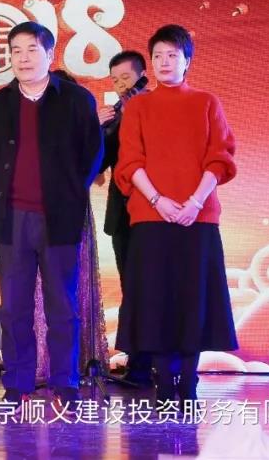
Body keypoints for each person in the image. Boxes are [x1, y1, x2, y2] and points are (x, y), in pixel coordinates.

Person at [0, 22, 102, 406]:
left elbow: (93, 153)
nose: (23, 58)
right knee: (14, 307)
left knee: (62, 305)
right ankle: (18, 381)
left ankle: (65, 381)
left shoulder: (76, 100)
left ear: (49, 54)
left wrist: (68, 191)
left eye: (32, 49)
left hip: (59, 217)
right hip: (12, 219)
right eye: (16, 51)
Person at [114, 24, 238, 403]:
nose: (164, 62)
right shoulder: (138, 106)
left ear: (187, 61)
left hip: (198, 218)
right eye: (158, 56)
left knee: (192, 302)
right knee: (156, 302)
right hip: (151, 219)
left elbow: (219, 157)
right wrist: (158, 200)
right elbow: (130, 161)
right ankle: (165, 384)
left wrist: (195, 202)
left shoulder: (206, 102)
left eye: (172, 55)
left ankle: (188, 384)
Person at [96, 50, 152, 385]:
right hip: (123, 214)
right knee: (131, 287)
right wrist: (99, 128)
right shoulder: (117, 114)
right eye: (115, 80)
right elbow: (100, 162)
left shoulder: (153, 107)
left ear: (142, 75)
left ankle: (153, 365)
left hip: (153, 211)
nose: (120, 85)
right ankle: (138, 364)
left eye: (126, 78)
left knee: (150, 288)